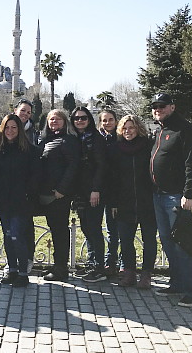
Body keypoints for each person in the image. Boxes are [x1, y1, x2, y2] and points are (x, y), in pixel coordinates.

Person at [150, 93, 192, 307]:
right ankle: (177, 283)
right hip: (158, 195)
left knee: (183, 244)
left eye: (162, 105)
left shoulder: (185, 130)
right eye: (154, 106)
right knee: (168, 242)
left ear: (172, 107)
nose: (157, 109)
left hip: (176, 197)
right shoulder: (160, 131)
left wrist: (189, 194)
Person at [0, 114, 39, 287]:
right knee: (8, 235)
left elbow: (34, 177)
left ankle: (23, 273)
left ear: (19, 130)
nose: (10, 131)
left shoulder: (29, 150)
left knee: (18, 235)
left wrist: (27, 194)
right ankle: (12, 270)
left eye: (14, 127)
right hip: (3, 200)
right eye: (7, 128)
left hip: (21, 201)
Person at [109, 115, 156, 288]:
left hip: (147, 201)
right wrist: (113, 202)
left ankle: (146, 274)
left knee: (149, 240)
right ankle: (129, 272)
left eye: (132, 128)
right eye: (125, 128)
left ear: (138, 129)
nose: (128, 131)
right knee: (126, 240)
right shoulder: (116, 149)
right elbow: (112, 178)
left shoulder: (148, 147)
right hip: (124, 201)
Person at [37, 109, 80, 282]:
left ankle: (61, 268)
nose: (54, 121)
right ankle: (56, 264)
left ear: (64, 122)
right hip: (46, 192)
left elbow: (73, 166)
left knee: (60, 231)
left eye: (58, 119)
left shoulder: (68, 140)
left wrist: (62, 189)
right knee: (55, 229)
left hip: (59, 194)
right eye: (51, 119)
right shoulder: (46, 140)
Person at [70, 106, 107, 283]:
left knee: (94, 228)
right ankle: (92, 264)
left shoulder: (96, 139)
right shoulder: (75, 139)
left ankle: (99, 267)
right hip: (79, 191)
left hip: (93, 191)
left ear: (89, 120)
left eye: (83, 118)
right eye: (76, 119)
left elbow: (101, 165)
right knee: (86, 227)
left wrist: (96, 189)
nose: (80, 121)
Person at [98, 110, 122, 276]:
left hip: (116, 190)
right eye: (104, 120)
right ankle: (100, 261)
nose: (107, 123)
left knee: (114, 230)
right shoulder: (98, 140)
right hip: (99, 189)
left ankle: (112, 261)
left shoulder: (120, 140)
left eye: (110, 120)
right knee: (99, 228)